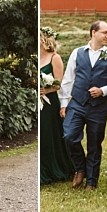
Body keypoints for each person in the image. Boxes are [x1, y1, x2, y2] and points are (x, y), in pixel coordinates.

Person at [60, 20, 107, 190]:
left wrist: (104, 90)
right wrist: (64, 103)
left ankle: (92, 181)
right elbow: (68, 79)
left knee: (94, 143)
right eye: (104, 32)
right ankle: (80, 168)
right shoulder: (77, 53)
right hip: (77, 103)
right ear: (94, 32)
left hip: (98, 107)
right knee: (69, 136)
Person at [39, 27, 75, 184]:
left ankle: (54, 168)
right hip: (37, 102)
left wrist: (45, 89)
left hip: (49, 103)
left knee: (48, 135)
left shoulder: (55, 57)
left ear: (43, 39)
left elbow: (59, 84)